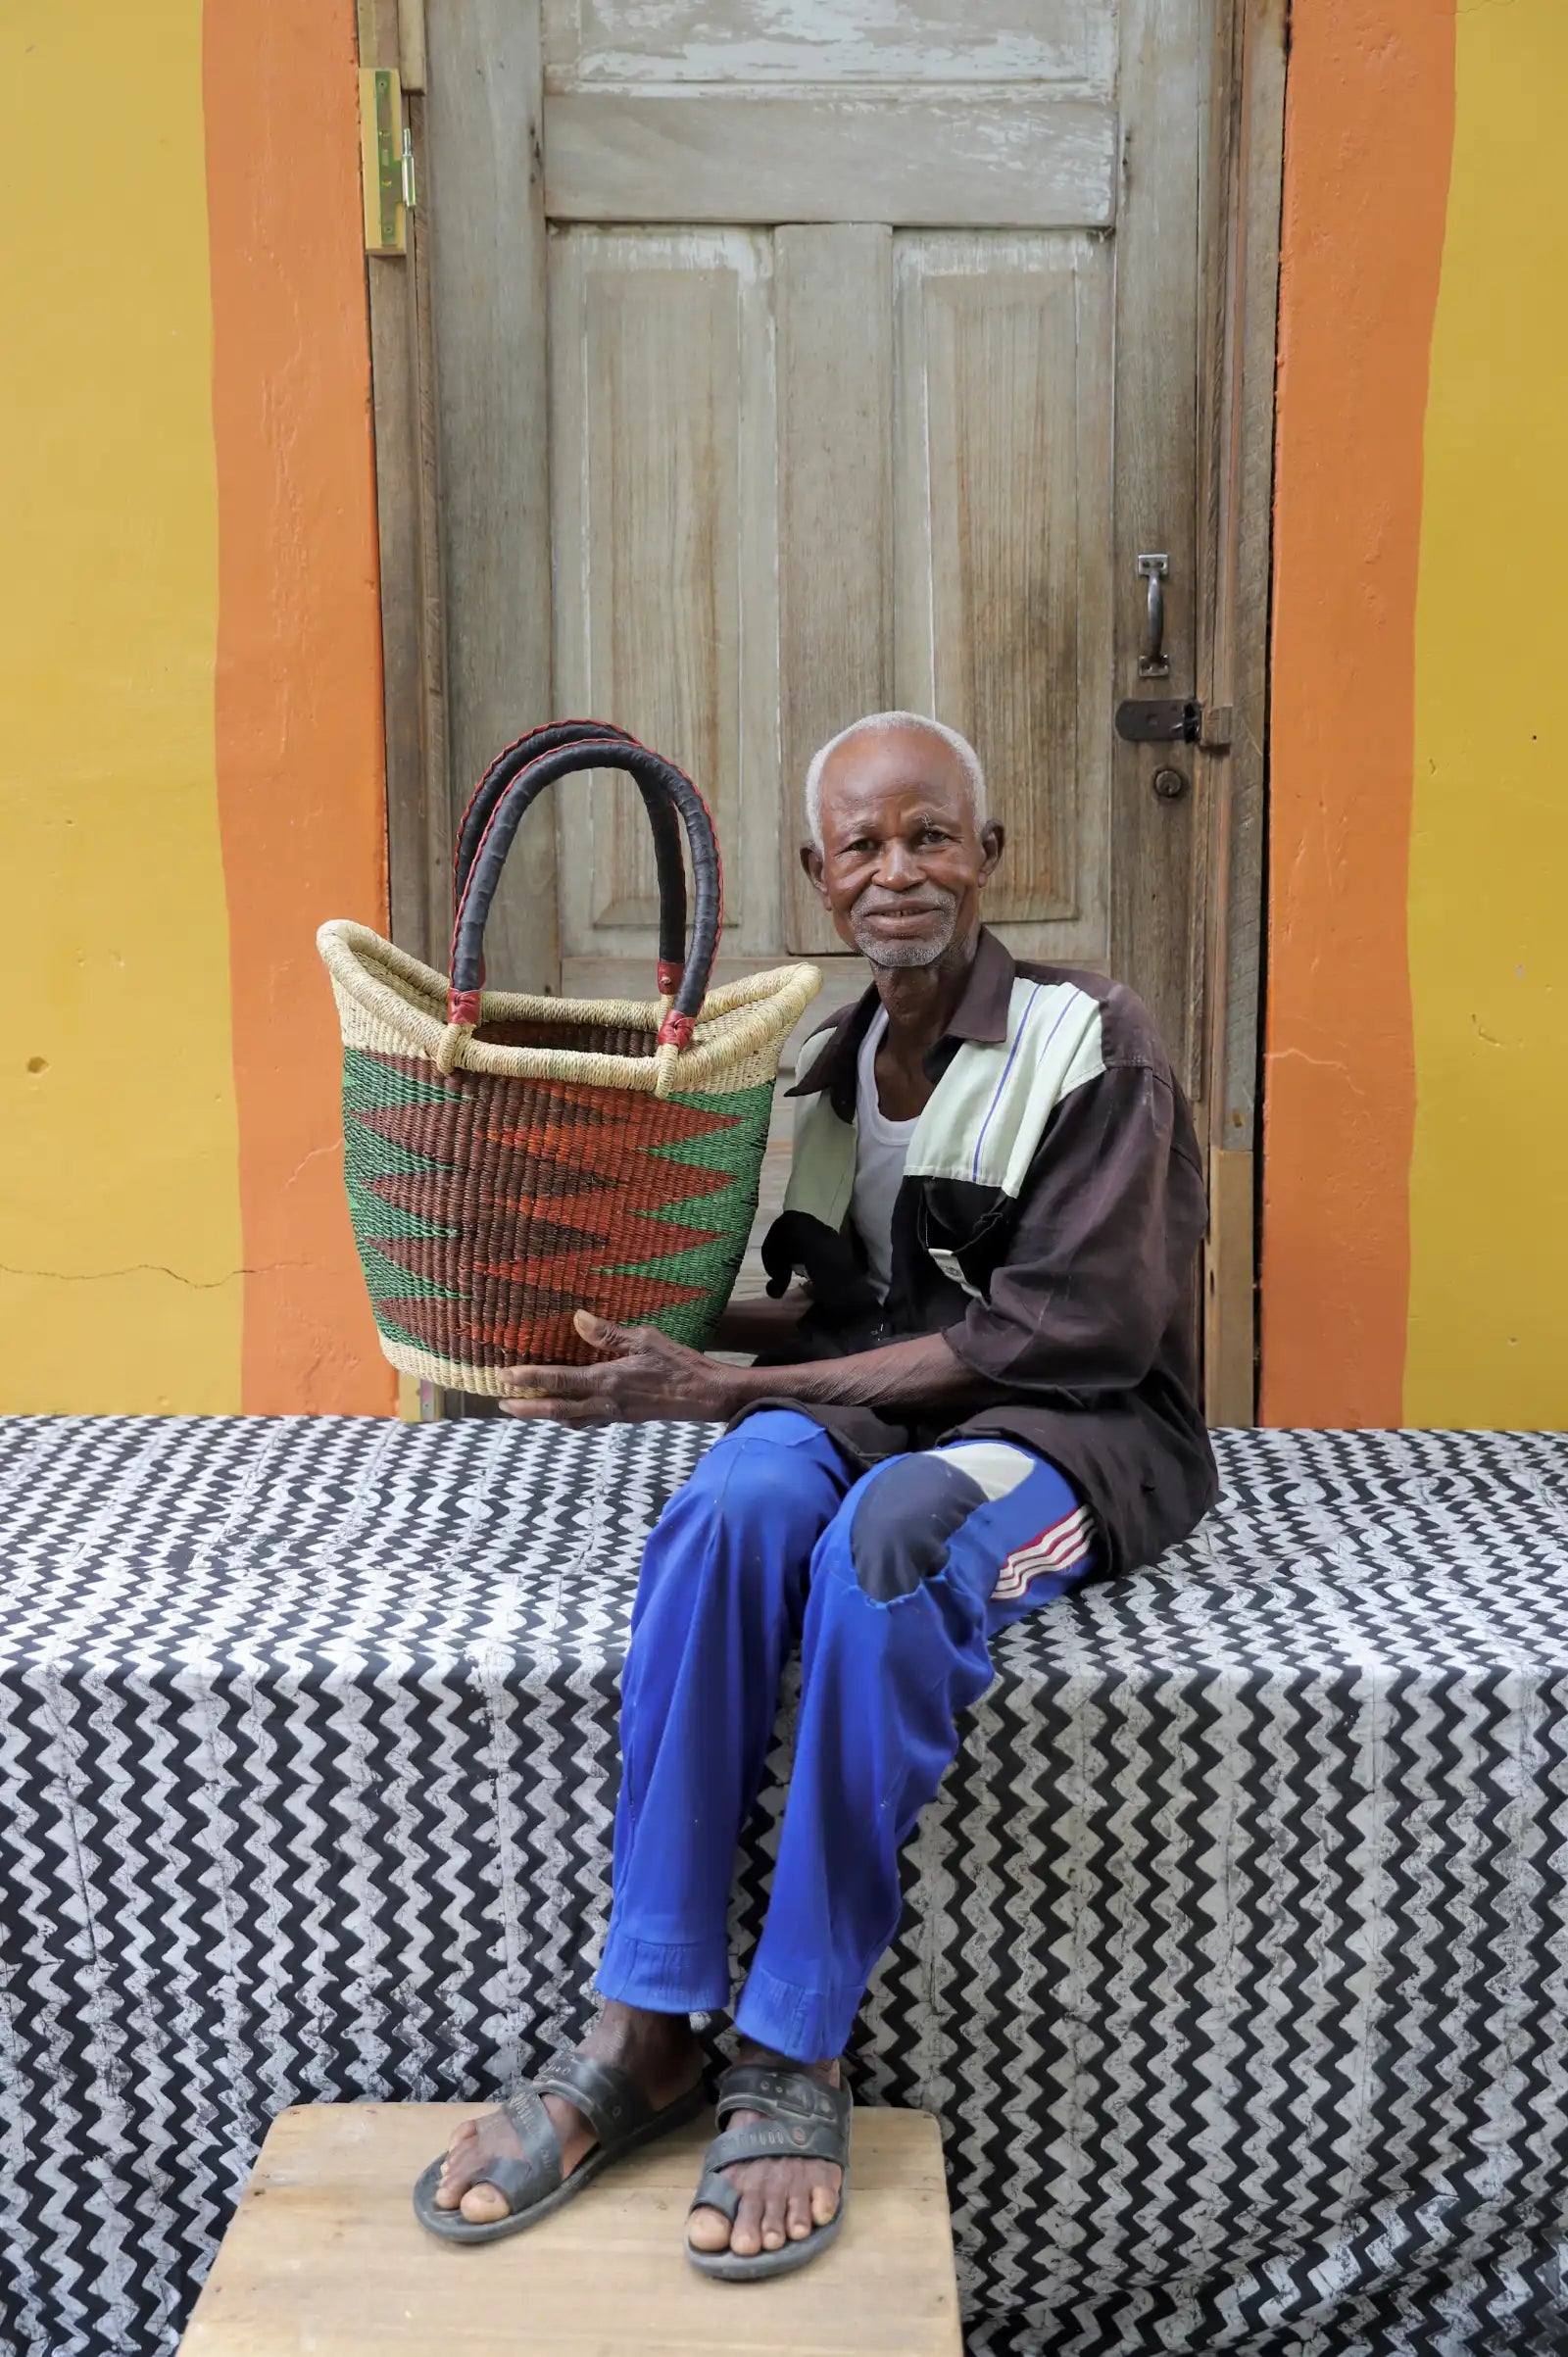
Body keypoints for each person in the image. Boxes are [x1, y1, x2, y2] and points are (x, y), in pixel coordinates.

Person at [415, 711, 1217, 2280]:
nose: (898, 869)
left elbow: (1073, 1335)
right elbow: (833, 1316)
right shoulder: (833, 1065)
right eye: (865, 844)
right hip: (886, 1403)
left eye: (932, 836)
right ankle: (647, 2022)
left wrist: (723, 1387)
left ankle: (795, 2040)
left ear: (990, 858)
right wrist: (620, 1330)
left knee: (886, 1541)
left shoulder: (1094, 1041)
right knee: (731, 1504)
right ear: (818, 875)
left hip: (1072, 1430)